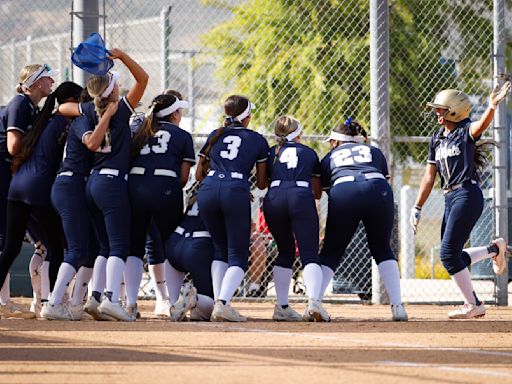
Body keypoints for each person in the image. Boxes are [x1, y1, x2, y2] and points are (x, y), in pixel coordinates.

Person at [411, 81, 511, 319]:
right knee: (452, 255)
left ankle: (474, 304)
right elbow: (429, 176)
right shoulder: (436, 138)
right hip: (450, 197)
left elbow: (480, 127)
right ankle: (494, 249)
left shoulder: (464, 131)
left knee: (447, 254)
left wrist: (492, 107)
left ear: (454, 111)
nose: (437, 113)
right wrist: (417, 206)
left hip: (467, 194)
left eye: (441, 109)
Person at [0, 81, 83, 318]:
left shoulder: (44, 119)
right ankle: (52, 303)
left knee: (11, 248)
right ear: (72, 102)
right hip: (39, 189)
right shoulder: (64, 123)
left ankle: (46, 301)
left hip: (17, 187)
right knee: (57, 248)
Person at [319, 119, 408, 321]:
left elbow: (325, 191)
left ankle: (314, 302)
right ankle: (398, 306)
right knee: (382, 248)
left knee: (332, 250)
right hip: (378, 188)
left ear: (336, 141)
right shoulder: (374, 152)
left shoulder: (330, 156)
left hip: (345, 189)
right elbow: (384, 180)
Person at [85, 48, 148, 321]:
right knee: (119, 245)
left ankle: (95, 296)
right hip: (112, 183)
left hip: (93, 183)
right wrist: (121, 55)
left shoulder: (88, 110)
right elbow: (143, 79)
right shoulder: (120, 110)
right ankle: (111, 299)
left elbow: (91, 142)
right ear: (112, 91)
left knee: (104, 247)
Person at [42, 101, 118, 321]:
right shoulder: (83, 120)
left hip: (74, 186)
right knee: (76, 249)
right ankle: (53, 302)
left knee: (90, 249)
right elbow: (91, 142)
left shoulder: (90, 120)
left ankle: (75, 304)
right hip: (70, 185)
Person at [196, 95, 269, 322]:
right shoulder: (256, 139)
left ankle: (219, 302)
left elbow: (199, 174)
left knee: (219, 249)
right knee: (238, 254)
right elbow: (262, 183)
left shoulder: (215, 134)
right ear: (246, 116)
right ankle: (223, 303)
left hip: (208, 190)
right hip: (235, 188)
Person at [125, 92, 194, 318]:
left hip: (135, 185)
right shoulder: (182, 135)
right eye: (179, 110)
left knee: (134, 246)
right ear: (174, 114)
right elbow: (184, 178)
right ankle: (173, 303)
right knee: (171, 244)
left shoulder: (140, 130)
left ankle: (131, 304)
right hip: (165, 186)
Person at [0, 63, 58, 318]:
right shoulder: (21, 103)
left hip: (16, 177)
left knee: (37, 242)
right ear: (34, 83)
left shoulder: (32, 107)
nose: (51, 81)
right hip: (4, 174)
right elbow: (14, 147)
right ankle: (3, 301)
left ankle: (39, 300)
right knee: (6, 240)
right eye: (47, 78)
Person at [262, 115, 327, 321]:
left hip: (274, 198)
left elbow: (262, 183)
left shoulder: (272, 152)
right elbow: (317, 193)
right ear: (297, 133)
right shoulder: (308, 152)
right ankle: (314, 303)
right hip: (299, 197)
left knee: (285, 250)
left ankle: (281, 306)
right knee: (309, 254)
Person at [166, 190, 215, 321]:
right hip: (198, 247)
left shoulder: (198, 191)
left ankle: (174, 303)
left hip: (174, 243)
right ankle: (195, 300)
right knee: (211, 307)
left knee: (194, 313)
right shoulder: (225, 187)